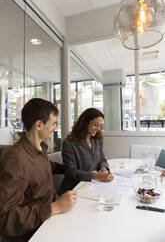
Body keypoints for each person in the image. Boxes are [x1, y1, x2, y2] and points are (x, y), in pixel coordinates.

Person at [0, 98, 77, 242]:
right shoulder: (15, 160)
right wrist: (54, 208)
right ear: (39, 125)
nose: (55, 127)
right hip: (34, 234)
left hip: (50, 222)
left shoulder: (40, 148)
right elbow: (5, 218)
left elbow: (44, 166)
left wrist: (71, 169)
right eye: (53, 123)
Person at [60, 108, 114, 194]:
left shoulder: (96, 139)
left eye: (100, 126)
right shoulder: (69, 143)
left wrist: (103, 168)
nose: (98, 129)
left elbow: (102, 159)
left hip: (93, 186)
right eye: (96, 124)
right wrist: (96, 176)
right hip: (74, 189)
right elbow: (71, 172)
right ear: (85, 123)